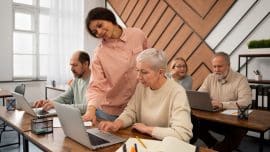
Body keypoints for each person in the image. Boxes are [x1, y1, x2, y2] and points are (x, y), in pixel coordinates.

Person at [98, 48, 193, 142]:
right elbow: (131, 112)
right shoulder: (142, 86)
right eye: (137, 71)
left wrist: (148, 129)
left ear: (161, 72)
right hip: (144, 141)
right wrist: (117, 124)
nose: (138, 77)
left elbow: (183, 133)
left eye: (144, 72)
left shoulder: (177, 92)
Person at [83, 7, 148, 124]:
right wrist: (90, 110)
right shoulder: (99, 54)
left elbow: (149, 60)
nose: (99, 32)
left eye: (100, 25)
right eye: (95, 32)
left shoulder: (137, 35)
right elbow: (96, 86)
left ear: (109, 18)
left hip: (141, 107)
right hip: (112, 113)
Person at [198, 52, 252, 152]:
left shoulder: (240, 79)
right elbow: (200, 95)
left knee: (240, 129)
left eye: (220, 66)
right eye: (214, 66)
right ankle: (213, 145)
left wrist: (222, 104)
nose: (216, 70)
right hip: (214, 118)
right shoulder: (210, 77)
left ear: (228, 65)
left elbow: (246, 102)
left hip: (233, 122)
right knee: (194, 122)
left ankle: (218, 149)